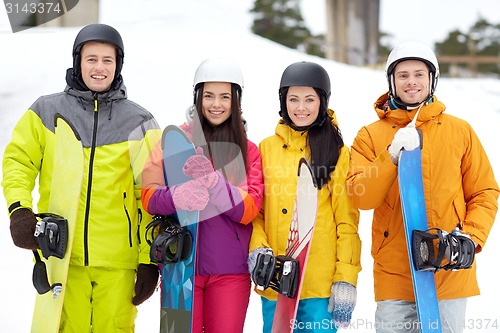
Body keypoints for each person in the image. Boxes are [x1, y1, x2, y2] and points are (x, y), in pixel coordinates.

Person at [2, 24, 161, 332]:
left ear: (118, 65)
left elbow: (151, 196)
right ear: (78, 61)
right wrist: (19, 210)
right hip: (62, 257)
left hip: (119, 262)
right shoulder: (46, 111)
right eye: (91, 59)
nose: (99, 68)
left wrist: (148, 259)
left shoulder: (141, 122)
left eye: (107, 60)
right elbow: (17, 161)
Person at [346, 42, 499, 333]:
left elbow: (484, 191)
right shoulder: (370, 135)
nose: (411, 82)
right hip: (395, 272)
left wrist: (471, 237)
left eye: (419, 74)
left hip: (448, 269)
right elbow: (360, 197)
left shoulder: (459, 130)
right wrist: (390, 156)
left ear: (432, 80)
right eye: (402, 75)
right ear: (392, 81)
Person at [141, 57, 264, 333]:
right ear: (197, 98)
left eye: (224, 96)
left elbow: (249, 209)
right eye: (208, 96)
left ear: (236, 101)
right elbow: (148, 196)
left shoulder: (250, 151)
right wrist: (176, 196)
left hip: (229, 271)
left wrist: (214, 183)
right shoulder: (173, 141)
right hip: (180, 266)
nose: (216, 104)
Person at [248, 61, 362, 333]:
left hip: (319, 286)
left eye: (309, 99)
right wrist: (257, 248)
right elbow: (258, 212)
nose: (301, 108)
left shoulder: (336, 151)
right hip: (276, 281)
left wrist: (345, 278)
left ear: (322, 102)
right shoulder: (266, 148)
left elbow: (347, 222)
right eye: (294, 99)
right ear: (283, 101)